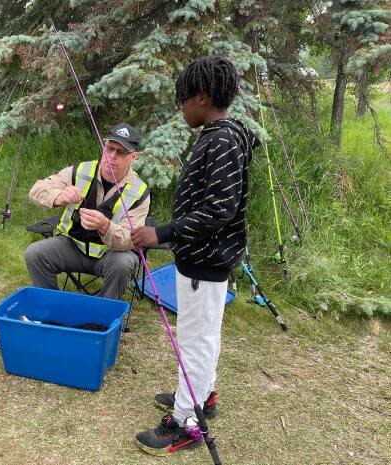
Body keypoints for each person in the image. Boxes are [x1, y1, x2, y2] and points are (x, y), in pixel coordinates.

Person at [131, 56, 261, 456]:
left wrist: (161, 233)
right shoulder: (220, 134)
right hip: (202, 259)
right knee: (203, 334)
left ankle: (187, 419)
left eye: (183, 100)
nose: (181, 108)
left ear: (202, 98)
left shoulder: (221, 140)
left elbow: (219, 210)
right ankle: (201, 394)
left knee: (195, 339)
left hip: (206, 261)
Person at [24, 123, 150, 300]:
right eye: (109, 148)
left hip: (110, 255)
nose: (112, 156)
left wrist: (105, 226)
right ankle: (51, 308)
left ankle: (102, 317)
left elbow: (132, 239)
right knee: (35, 253)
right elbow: (36, 189)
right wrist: (58, 196)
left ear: (133, 157)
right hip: (72, 246)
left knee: (124, 263)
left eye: (120, 152)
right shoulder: (80, 170)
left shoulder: (140, 191)